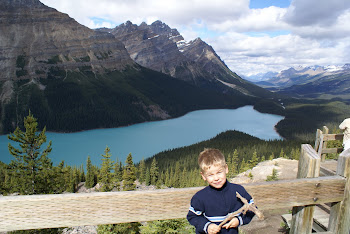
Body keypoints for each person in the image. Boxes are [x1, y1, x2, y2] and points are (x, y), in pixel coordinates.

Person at [187, 148, 255, 234]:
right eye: (210, 175)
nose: (216, 178)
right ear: (203, 176)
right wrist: (207, 226)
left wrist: (239, 220)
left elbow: (252, 208)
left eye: (219, 172)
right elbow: (192, 217)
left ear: (226, 168)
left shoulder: (238, 191)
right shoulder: (200, 197)